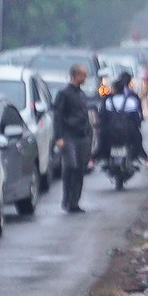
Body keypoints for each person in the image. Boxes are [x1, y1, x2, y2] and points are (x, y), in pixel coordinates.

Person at [53, 63, 93, 213]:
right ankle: (67, 198)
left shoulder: (81, 94)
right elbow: (58, 116)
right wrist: (59, 137)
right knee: (71, 166)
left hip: (82, 136)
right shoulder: (64, 94)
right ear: (75, 75)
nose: (85, 78)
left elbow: (85, 115)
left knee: (80, 169)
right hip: (68, 136)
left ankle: (74, 202)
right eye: (82, 75)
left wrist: (89, 134)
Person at [97, 70, 148, 167]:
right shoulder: (132, 99)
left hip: (110, 131)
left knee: (102, 141)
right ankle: (144, 159)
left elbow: (103, 116)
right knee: (138, 140)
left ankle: (95, 159)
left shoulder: (108, 100)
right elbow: (138, 117)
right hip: (129, 131)